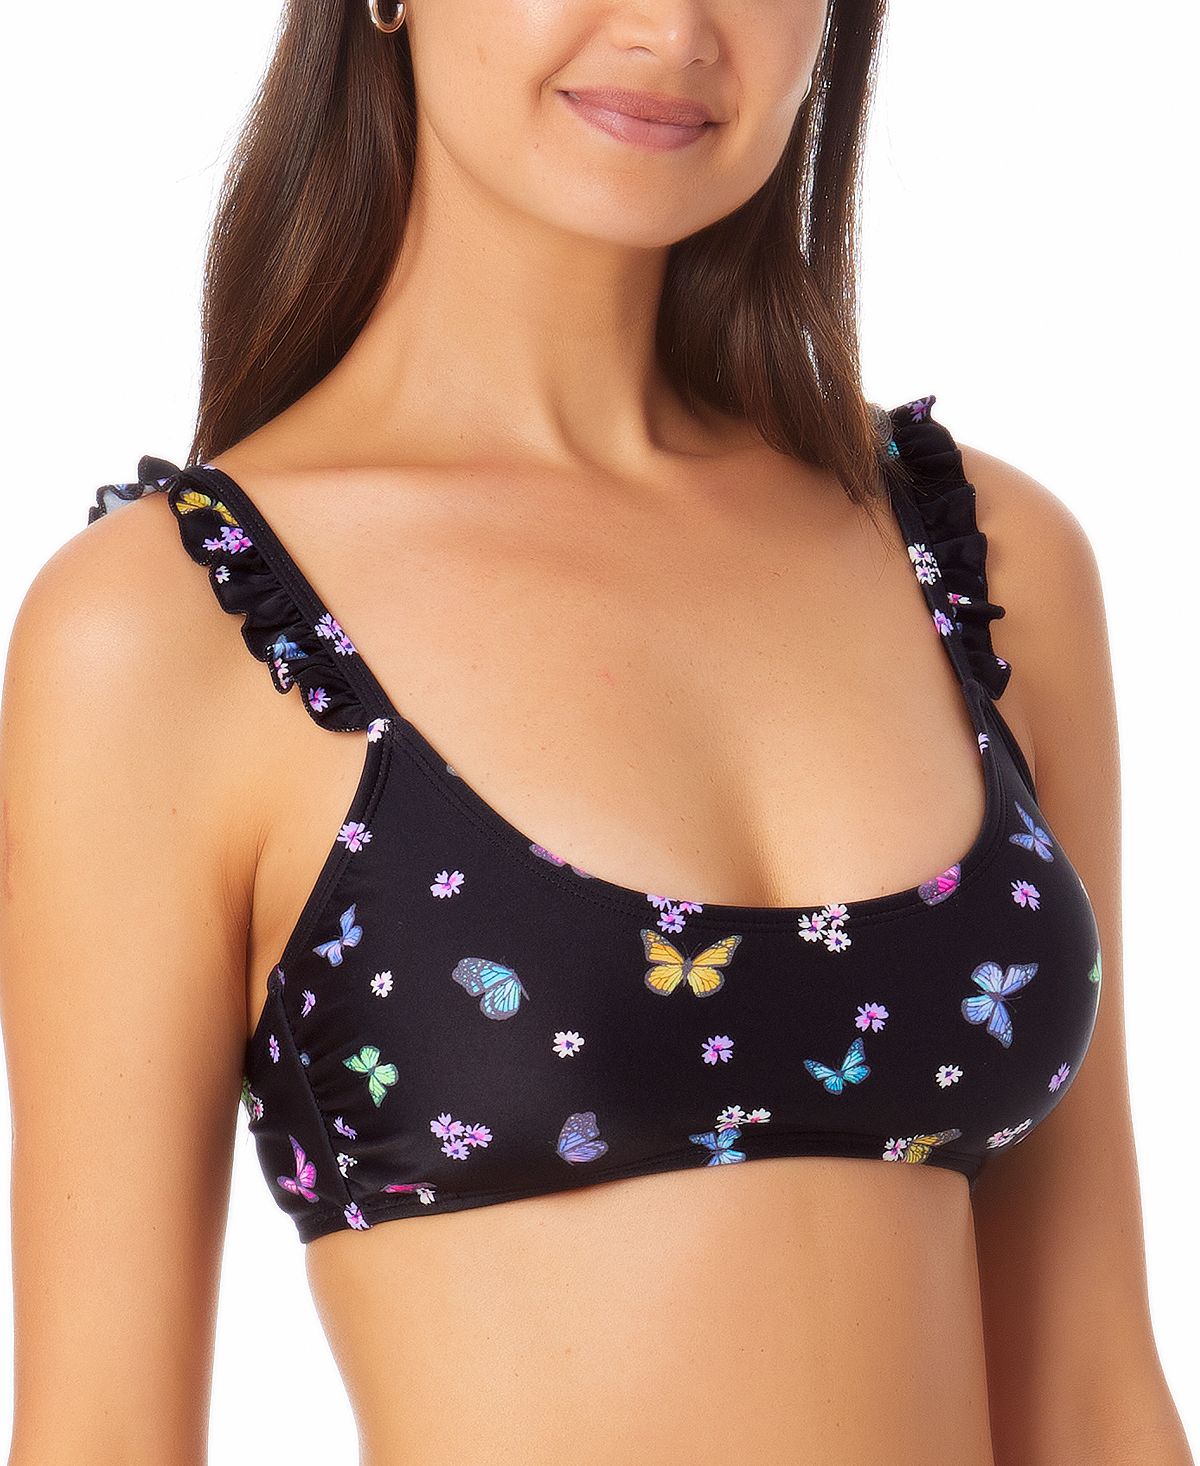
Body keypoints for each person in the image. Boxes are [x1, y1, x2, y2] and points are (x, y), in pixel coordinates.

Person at [0, 2, 1191, 1463]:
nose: (673, 27)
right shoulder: (171, 630)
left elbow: (1094, 1392)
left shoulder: (982, 561)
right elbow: (102, 1435)